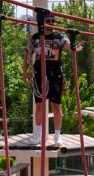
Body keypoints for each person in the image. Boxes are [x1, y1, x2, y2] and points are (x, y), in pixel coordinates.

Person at [25, 15, 81, 145]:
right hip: (39, 74)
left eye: (53, 21)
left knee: (56, 106)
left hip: (55, 75)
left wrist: (76, 47)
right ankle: (38, 135)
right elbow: (27, 55)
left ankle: (57, 135)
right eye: (48, 21)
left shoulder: (60, 37)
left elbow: (70, 47)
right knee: (39, 105)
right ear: (42, 23)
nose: (51, 23)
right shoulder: (35, 38)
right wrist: (26, 72)